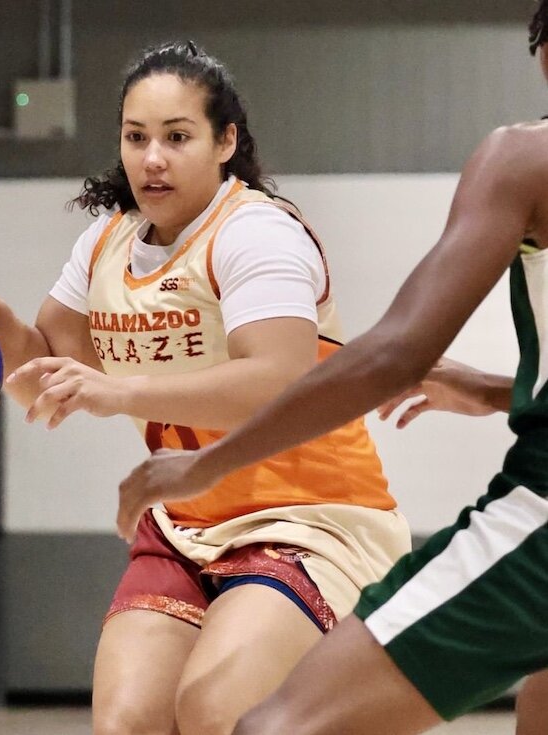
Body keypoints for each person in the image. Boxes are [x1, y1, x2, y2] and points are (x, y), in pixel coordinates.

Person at [0, 42, 411, 735]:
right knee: (128, 720)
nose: (151, 158)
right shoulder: (105, 243)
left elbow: (278, 381)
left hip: (308, 516)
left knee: (216, 708)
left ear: (226, 142)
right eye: (136, 137)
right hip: (187, 521)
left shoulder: (256, 232)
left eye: (176, 137)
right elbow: (50, 368)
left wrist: (125, 392)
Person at [117, 7, 548, 735]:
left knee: (274, 725)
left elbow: (392, 353)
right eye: (137, 136)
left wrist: (205, 464)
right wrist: (493, 390)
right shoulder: (110, 250)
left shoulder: (524, 156)